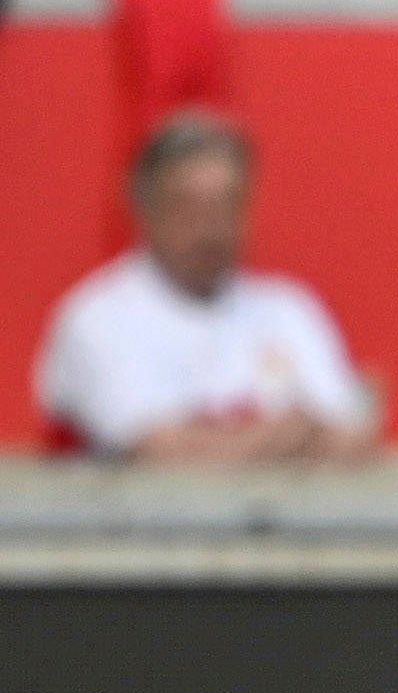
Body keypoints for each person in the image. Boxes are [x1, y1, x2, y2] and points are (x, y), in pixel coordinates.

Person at [35, 110, 374, 462]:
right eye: (188, 205)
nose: (210, 227)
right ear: (143, 207)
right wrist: (289, 434)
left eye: (227, 203)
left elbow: (351, 441)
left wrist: (223, 445)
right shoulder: (97, 317)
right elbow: (161, 456)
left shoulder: (288, 309)